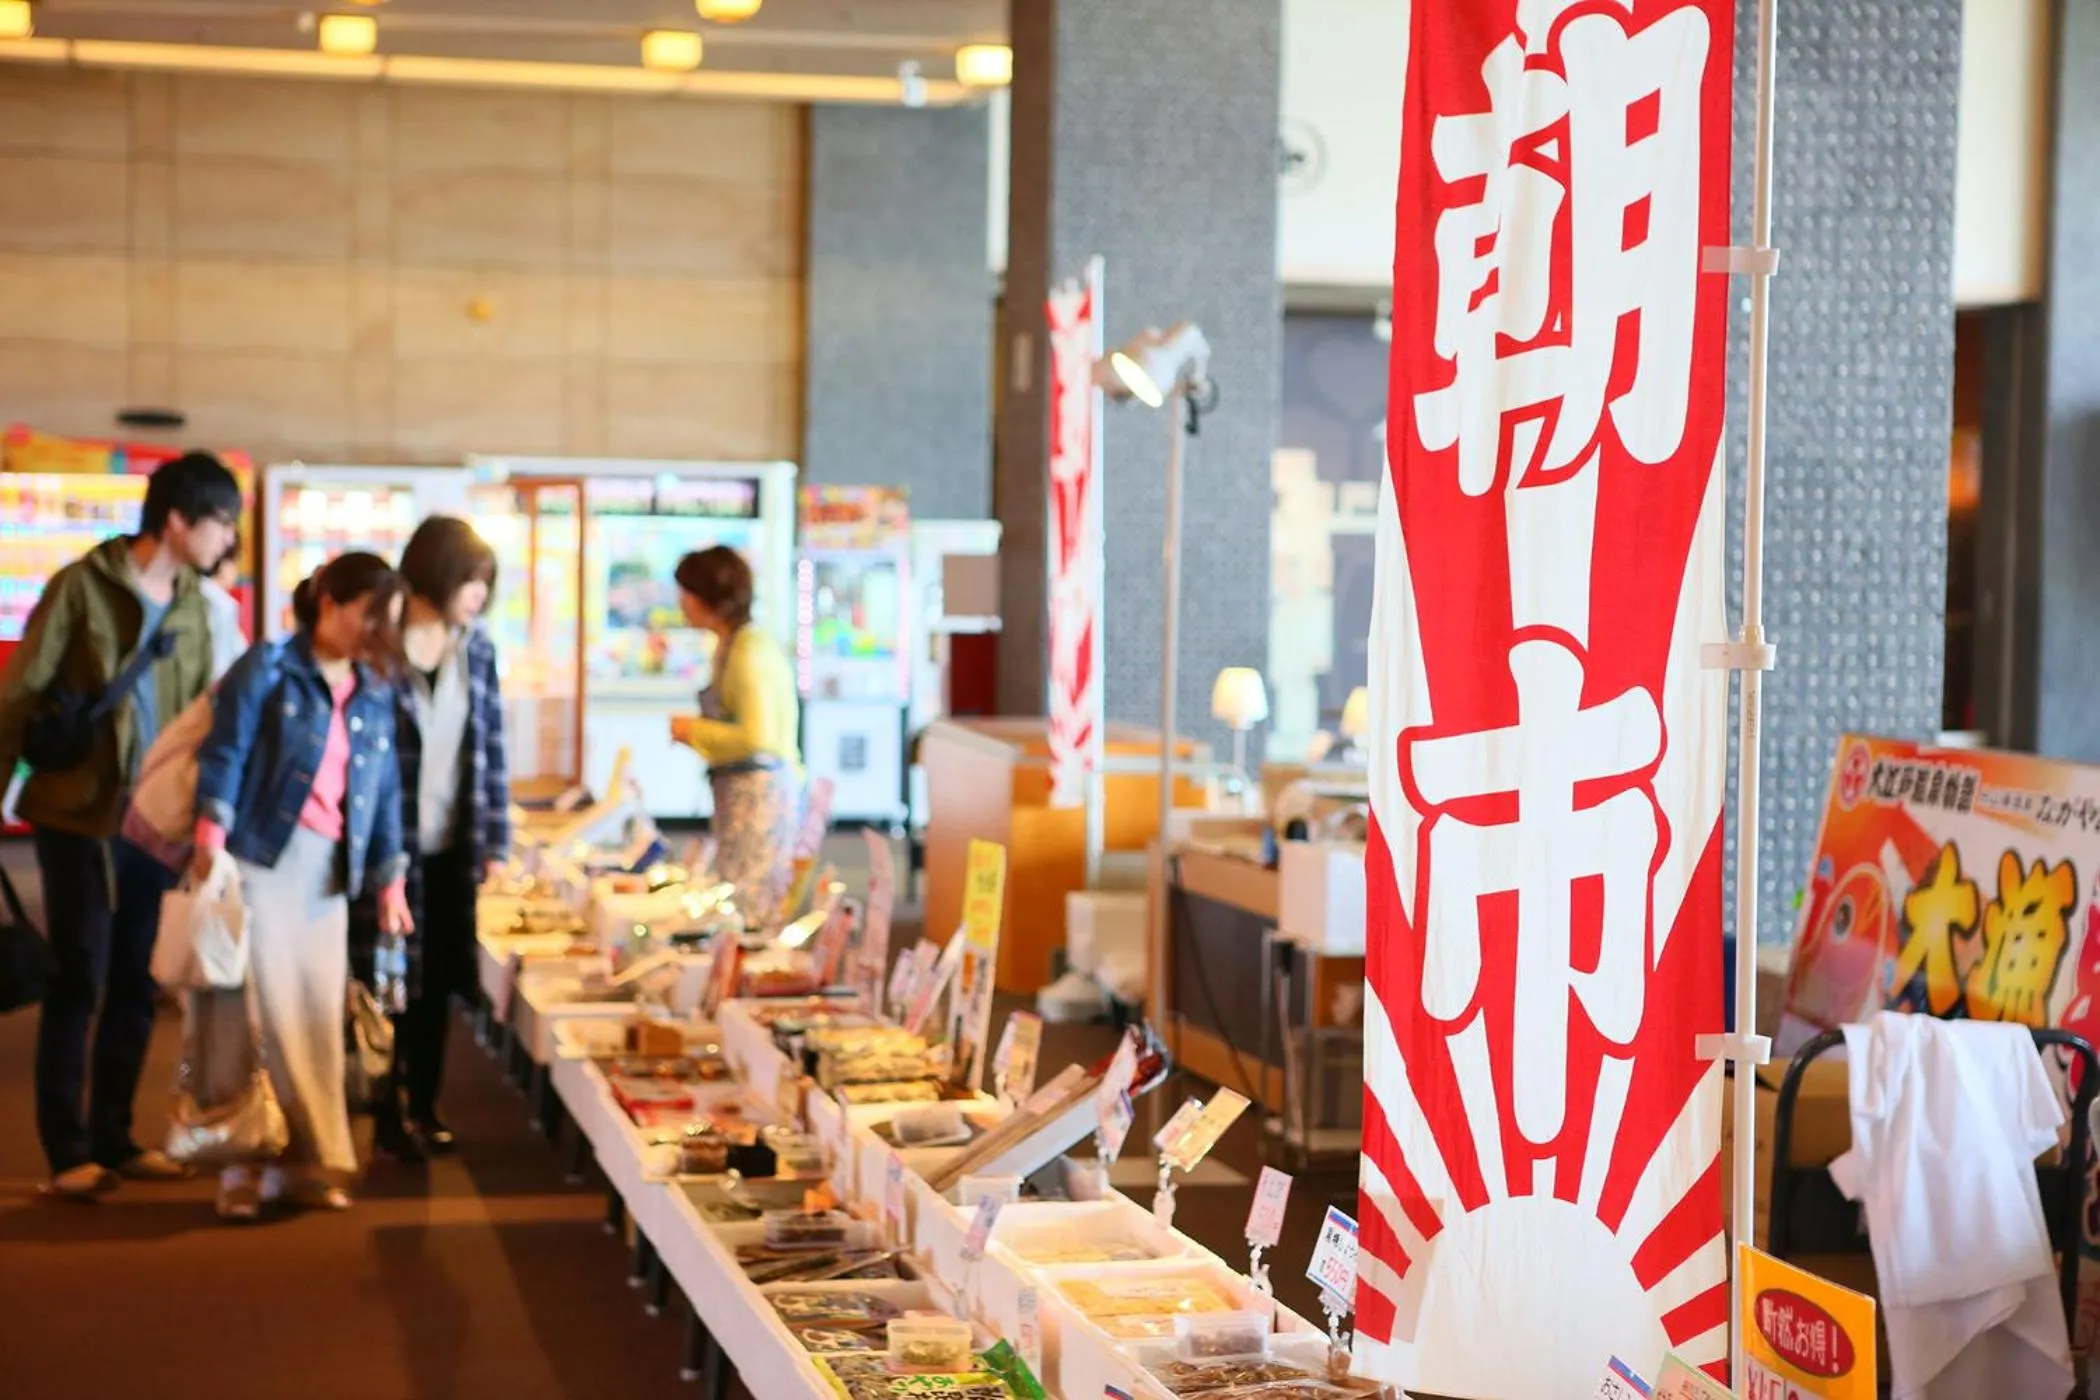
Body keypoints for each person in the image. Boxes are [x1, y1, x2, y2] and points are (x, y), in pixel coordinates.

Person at [0, 451, 241, 1200]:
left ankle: (115, 1135)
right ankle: (67, 1149)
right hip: (76, 808)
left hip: (155, 822)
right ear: (176, 520)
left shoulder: (203, 607)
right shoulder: (82, 586)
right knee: (81, 973)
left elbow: (212, 713)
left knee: (138, 979)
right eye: (220, 522)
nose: (226, 539)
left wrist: (211, 815)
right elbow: (23, 689)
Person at [189, 552, 413, 1221]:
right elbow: (224, 751)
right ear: (329, 603)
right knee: (252, 1019)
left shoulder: (372, 688)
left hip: (327, 876)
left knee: (315, 1018)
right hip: (259, 860)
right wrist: (209, 837)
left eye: (386, 622)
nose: (375, 633)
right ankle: (240, 1163)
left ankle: (308, 1160)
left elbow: (384, 790)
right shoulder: (270, 666)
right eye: (370, 616)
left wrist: (390, 879)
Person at [361, 516, 508, 1161]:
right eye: (471, 581)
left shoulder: (475, 648)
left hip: (453, 840)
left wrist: (496, 843)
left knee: (442, 976)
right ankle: (385, 1106)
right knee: (391, 978)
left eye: (485, 584)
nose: (477, 596)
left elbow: (493, 749)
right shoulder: (380, 647)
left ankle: (424, 1101)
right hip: (388, 849)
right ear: (435, 572)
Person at [669, 546, 802, 923]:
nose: (681, 603)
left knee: (750, 908)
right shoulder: (732, 644)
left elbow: (756, 737)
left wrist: (693, 730)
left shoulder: (748, 650)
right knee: (736, 901)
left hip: (760, 799)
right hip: (742, 795)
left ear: (706, 596)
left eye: (686, 592)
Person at [199, 536, 248, 682]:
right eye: (235, 563)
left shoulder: (196, 592)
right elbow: (220, 666)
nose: (236, 572)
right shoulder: (220, 604)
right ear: (223, 564)